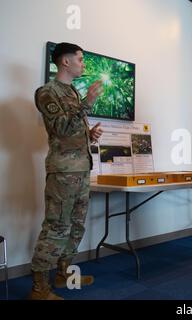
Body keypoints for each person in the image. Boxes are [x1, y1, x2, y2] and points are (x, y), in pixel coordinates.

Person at [30, 42, 104, 300]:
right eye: (81, 59)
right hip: (63, 173)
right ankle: (40, 289)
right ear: (65, 62)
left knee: (75, 226)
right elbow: (60, 128)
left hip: (81, 170)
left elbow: (71, 131)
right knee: (56, 227)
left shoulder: (72, 92)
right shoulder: (47, 92)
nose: (83, 64)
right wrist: (89, 102)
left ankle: (63, 275)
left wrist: (89, 134)